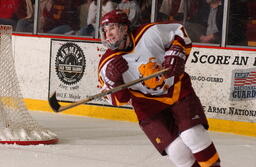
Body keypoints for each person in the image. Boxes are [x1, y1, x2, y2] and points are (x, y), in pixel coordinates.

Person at [98, 10, 221, 167]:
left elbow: (179, 32)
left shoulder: (150, 33)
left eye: (112, 28)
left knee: (193, 135)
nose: (108, 34)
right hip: (147, 107)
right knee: (178, 152)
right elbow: (119, 100)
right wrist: (114, 81)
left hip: (176, 90)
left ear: (124, 27)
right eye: (105, 30)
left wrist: (177, 52)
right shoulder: (107, 64)